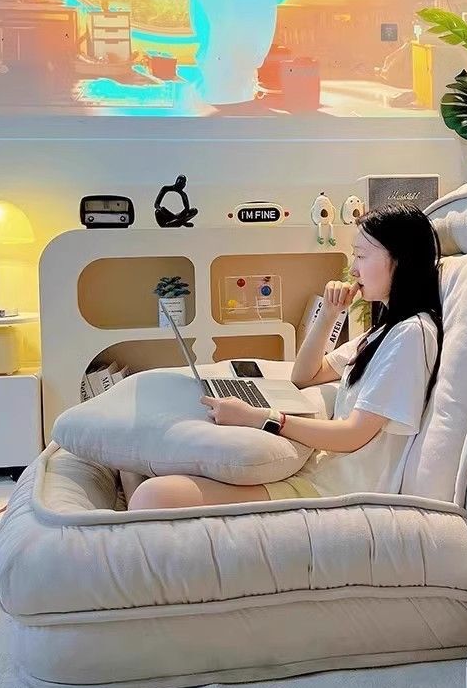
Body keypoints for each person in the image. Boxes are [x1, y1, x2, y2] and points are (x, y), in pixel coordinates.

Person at [126, 202, 443, 510]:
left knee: (153, 495)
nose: (353, 269)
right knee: (134, 467)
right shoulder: (383, 331)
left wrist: (258, 417)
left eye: (361, 255)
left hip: (332, 489)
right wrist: (328, 313)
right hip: (314, 468)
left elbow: (353, 435)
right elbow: (305, 376)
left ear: (401, 259)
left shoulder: (411, 335)